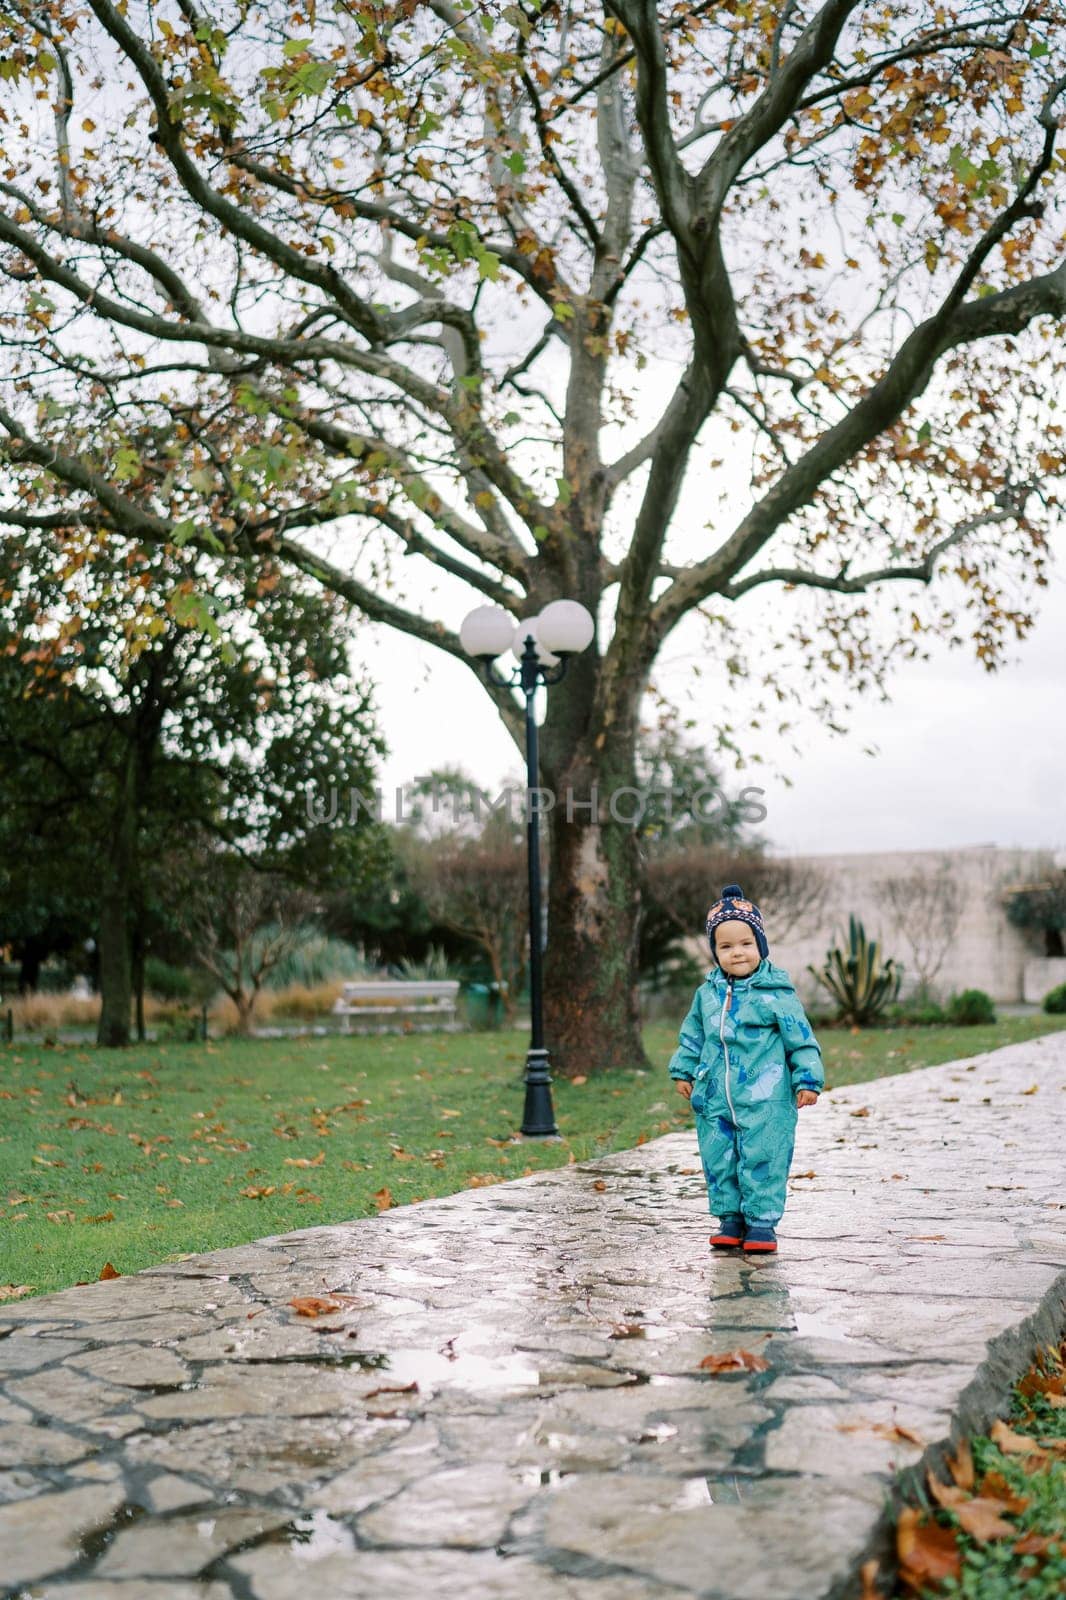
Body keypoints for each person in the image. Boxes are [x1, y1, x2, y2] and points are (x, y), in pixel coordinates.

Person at [668, 883, 823, 1254]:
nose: (737, 952)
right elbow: (693, 1034)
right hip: (715, 1097)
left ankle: (761, 1223)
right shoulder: (706, 994)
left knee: (763, 1156)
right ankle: (730, 1219)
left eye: (745, 944)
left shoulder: (776, 993)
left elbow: (800, 1039)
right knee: (719, 1157)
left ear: (760, 946)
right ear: (715, 952)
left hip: (766, 1100)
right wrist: (684, 1070)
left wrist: (808, 1078)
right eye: (726, 946)